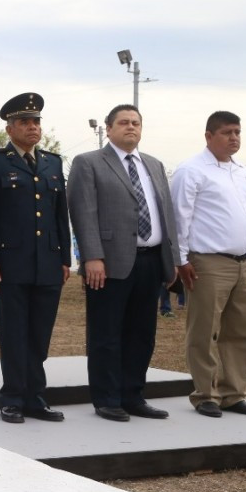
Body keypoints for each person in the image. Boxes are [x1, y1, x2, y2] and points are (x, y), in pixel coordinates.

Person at [67, 104, 179, 422]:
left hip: (150, 261)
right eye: (124, 122)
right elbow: (82, 212)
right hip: (108, 263)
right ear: (110, 127)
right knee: (106, 334)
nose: (131, 127)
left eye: (136, 123)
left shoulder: (154, 165)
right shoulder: (88, 162)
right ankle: (106, 398)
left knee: (142, 333)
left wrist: (170, 261)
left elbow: (166, 214)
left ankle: (133, 396)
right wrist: (92, 256)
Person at [0, 92, 70, 424]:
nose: (33, 127)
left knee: (39, 335)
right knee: (14, 334)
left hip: (48, 264)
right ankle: (13, 397)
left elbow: (61, 216)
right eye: (25, 122)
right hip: (10, 265)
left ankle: (35, 398)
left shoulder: (53, 163)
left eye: (36, 122)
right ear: (10, 128)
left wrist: (65, 259)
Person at [172, 111, 246, 417]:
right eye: (226, 132)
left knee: (239, 331)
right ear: (209, 136)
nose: (234, 137)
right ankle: (206, 393)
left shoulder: (244, 173)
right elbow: (179, 217)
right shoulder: (192, 170)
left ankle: (233, 393)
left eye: (237, 131)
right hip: (210, 261)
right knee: (204, 330)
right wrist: (181, 259)